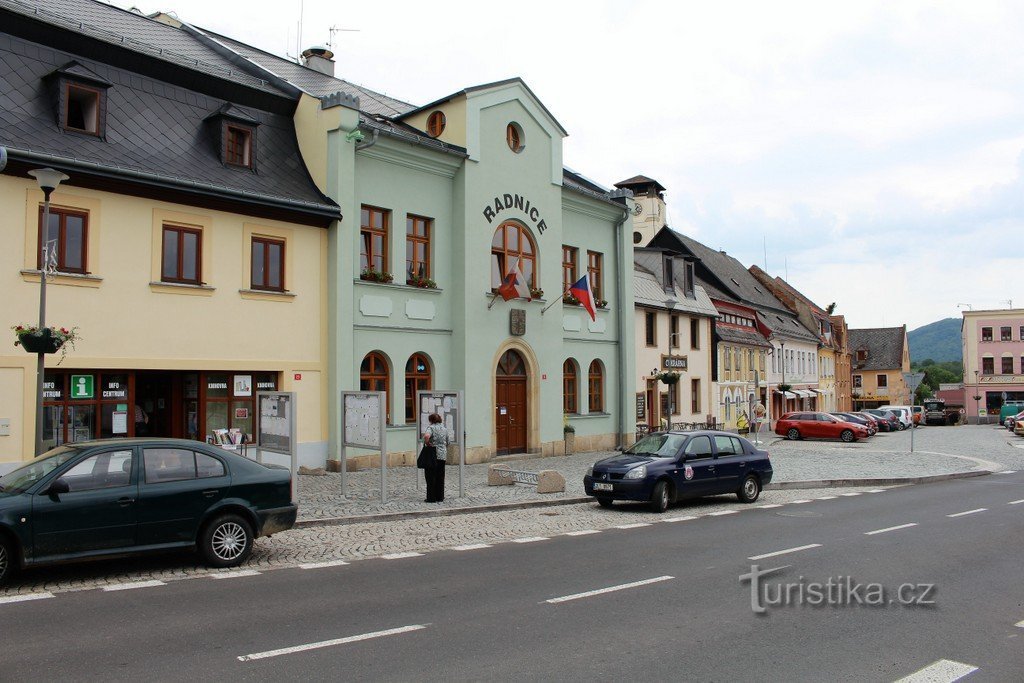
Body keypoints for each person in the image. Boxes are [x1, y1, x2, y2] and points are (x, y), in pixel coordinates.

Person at [422, 413, 449, 503]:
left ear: (431, 420)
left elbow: (426, 436)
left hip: (433, 455)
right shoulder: (444, 429)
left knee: (430, 476)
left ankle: (431, 498)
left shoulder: (431, 428)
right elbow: (448, 442)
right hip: (442, 455)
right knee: (440, 476)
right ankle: (440, 497)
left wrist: (427, 443)